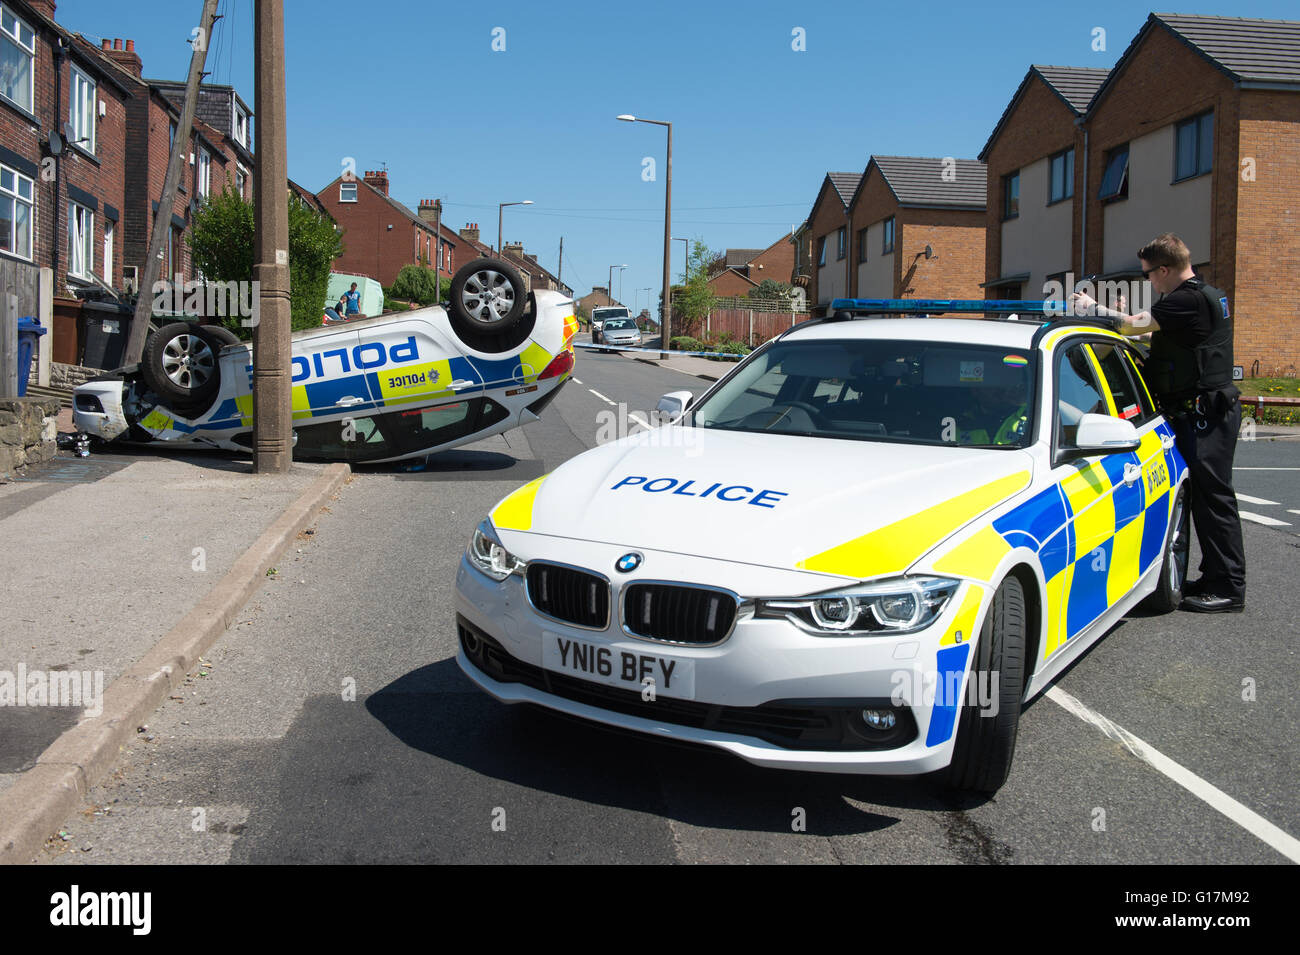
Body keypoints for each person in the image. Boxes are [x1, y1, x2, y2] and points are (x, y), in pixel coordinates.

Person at [1071, 233, 1245, 613]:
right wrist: (1120, 315)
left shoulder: (1186, 298)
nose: (1150, 281)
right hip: (1210, 410)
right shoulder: (1206, 294)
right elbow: (1155, 334)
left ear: (1164, 269)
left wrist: (1093, 308)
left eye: (1149, 275)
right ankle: (1217, 576)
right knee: (1208, 498)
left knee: (1215, 500)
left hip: (1204, 413)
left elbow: (1134, 327)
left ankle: (1229, 587)